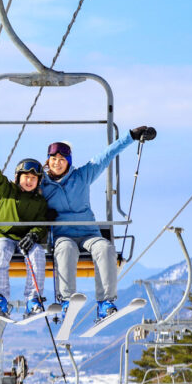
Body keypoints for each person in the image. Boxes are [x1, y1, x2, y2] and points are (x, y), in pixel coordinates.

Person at [41, 126, 157, 319]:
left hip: (88, 234)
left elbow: (106, 156)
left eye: (62, 160)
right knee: (66, 249)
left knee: (105, 248)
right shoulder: (42, 184)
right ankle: (67, 300)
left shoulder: (82, 176)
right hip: (63, 236)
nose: (57, 163)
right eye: (53, 159)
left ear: (68, 162)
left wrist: (131, 137)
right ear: (48, 161)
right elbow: (21, 190)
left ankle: (105, 302)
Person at [0, 130, 50, 316]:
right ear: (18, 177)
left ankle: (33, 299)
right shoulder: (7, 191)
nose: (29, 181)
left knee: (38, 254)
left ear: (38, 181)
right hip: (4, 236)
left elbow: (41, 223)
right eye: (26, 177)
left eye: (33, 178)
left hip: (26, 241)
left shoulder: (40, 202)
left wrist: (33, 235)